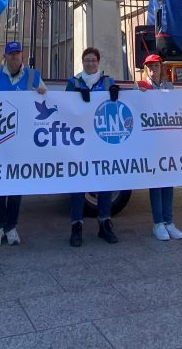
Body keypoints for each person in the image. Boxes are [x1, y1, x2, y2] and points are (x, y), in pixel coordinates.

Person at [0, 40, 46, 246]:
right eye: (11, 54)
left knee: (17, 185)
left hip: (22, 140)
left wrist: (43, 94)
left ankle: (11, 226)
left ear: (23, 55)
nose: (14, 57)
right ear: (5, 56)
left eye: (17, 53)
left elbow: (47, 100)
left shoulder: (34, 76)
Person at [65, 47, 122, 246]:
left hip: (101, 140)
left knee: (104, 183)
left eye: (93, 60)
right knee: (78, 185)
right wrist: (75, 96)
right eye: (87, 60)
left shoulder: (107, 82)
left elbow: (116, 107)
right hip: (80, 141)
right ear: (82, 62)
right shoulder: (73, 82)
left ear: (98, 63)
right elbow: (66, 108)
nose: (90, 64)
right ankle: (76, 226)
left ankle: (105, 224)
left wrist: (117, 93)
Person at [137, 54, 182, 241]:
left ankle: (169, 221)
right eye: (149, 67)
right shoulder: (140, 87)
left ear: (160, 68)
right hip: (150, 142)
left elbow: (177, 106)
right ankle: (158, 223)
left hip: (167, 141)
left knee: (168, 182)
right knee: (155, 184)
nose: (152, 70)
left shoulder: (169, 87)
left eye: (155, 66)